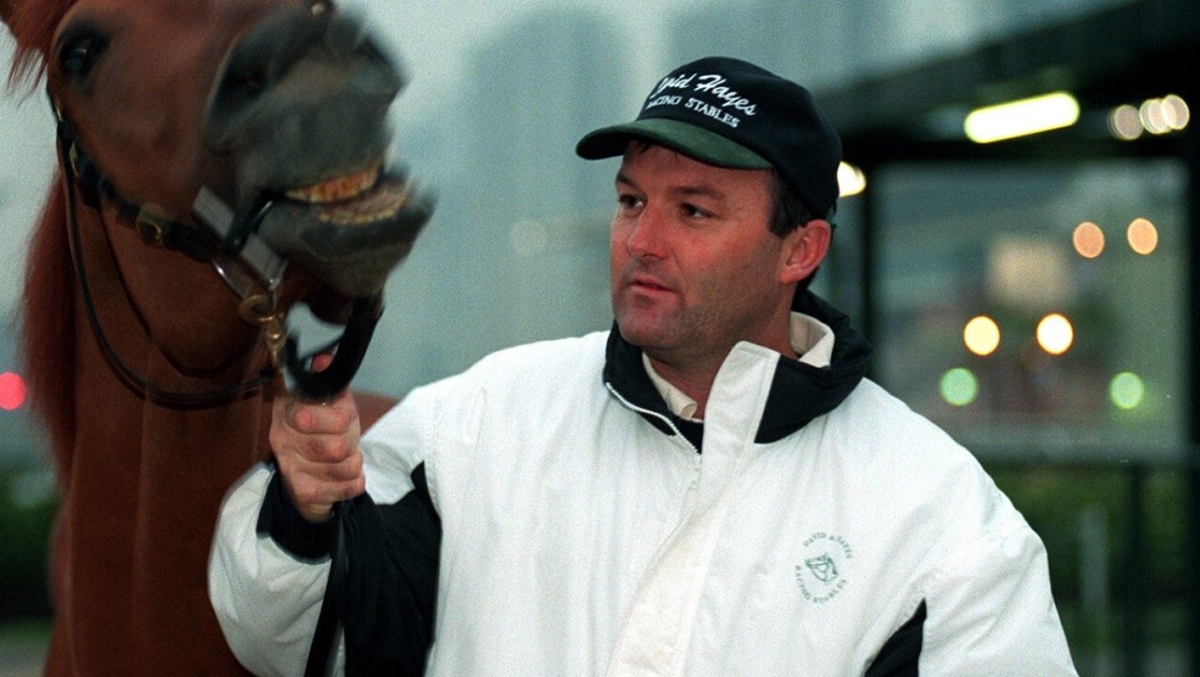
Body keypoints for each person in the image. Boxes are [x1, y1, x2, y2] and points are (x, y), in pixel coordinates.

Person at [208, 56, 1080, 676]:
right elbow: (298, 643)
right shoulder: (479, 425)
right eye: (631, 202)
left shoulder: (939, 519)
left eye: (694, 211)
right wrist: (301, 513)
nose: (642, 241)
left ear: (800, 249)